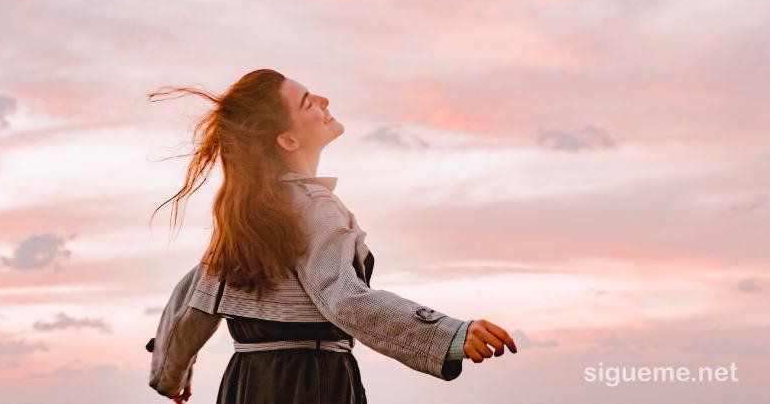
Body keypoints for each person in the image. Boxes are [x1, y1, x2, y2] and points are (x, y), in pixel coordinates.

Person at [144, 69, 518, 403]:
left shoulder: (243, 215)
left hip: (245, 382)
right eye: (308, 103)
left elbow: (194, 302)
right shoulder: (317, 208)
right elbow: (346, 301)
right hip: (313, 383)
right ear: (287, 140)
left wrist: (170, 376)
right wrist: (449, 335)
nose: (324, 101)